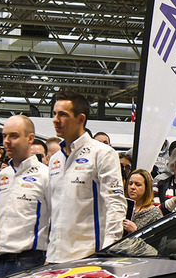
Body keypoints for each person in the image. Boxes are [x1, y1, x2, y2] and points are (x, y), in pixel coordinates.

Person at [46, 89, 126, 263]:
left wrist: (108, 251)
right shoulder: (55, 160)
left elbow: (116, 205)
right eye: (54, 114)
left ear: (81, 119)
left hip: (87, 257)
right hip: (54, 257)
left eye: (63, 115)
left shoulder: (102, 153)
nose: (55, 120)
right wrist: (48, 253)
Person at [0, 115, 50, 278]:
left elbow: (58, 219)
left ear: (30, 138)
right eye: (4, 136)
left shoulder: (45, 175)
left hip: (30, 261)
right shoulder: (3, 175)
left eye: (14, 136)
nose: (7, 141)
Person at [123, 169, 162, 235]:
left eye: (137, 184)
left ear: (146, 188)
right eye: (130, 183)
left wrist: (135, 231)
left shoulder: (155, 214)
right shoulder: (122, 206)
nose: (132, 187)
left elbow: (156, 242)